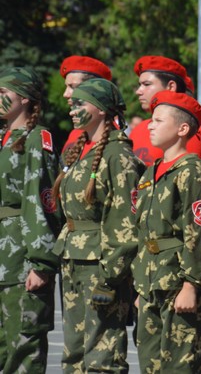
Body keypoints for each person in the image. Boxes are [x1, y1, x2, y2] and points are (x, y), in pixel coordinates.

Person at [53, 78, 145, 372]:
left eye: (80, 103)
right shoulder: (82, 150)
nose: (72, 110)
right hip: (74, 258)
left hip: (101, 265)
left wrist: (111, 276)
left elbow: (125, 224)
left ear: (102, 109)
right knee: (74, 353)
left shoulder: (118, 156)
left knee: (102, 356)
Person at [131, 91, 201, 373]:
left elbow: (198, 231)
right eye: (150, 120)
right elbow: (144, 231)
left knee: (180, 364)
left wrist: (191, 285)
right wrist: (141, 285)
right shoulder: (150, 172)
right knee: (150, 363)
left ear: (182, 129)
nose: (150, 126)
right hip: (150, 281)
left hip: (177, 281)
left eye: (158, 120)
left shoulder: (191, 171)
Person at [0, 67, 61, 373]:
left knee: (22, 347)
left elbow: (42, 200)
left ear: (24, 98)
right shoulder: (3, 138)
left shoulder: (36, 139)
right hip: (3, 256)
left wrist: (41, 262)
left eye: (2, 93)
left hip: (21, 258)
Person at [130, 56, 201, 167]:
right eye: (140, 85)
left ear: (171, 86)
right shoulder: (138, 129)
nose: (139, 91)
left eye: (147, 84)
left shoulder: (188, 134)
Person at [59, 55, 113, 153]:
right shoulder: (75, 135)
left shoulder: (113, 142)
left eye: (73, 87)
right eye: (66, 87)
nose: (65, 94)